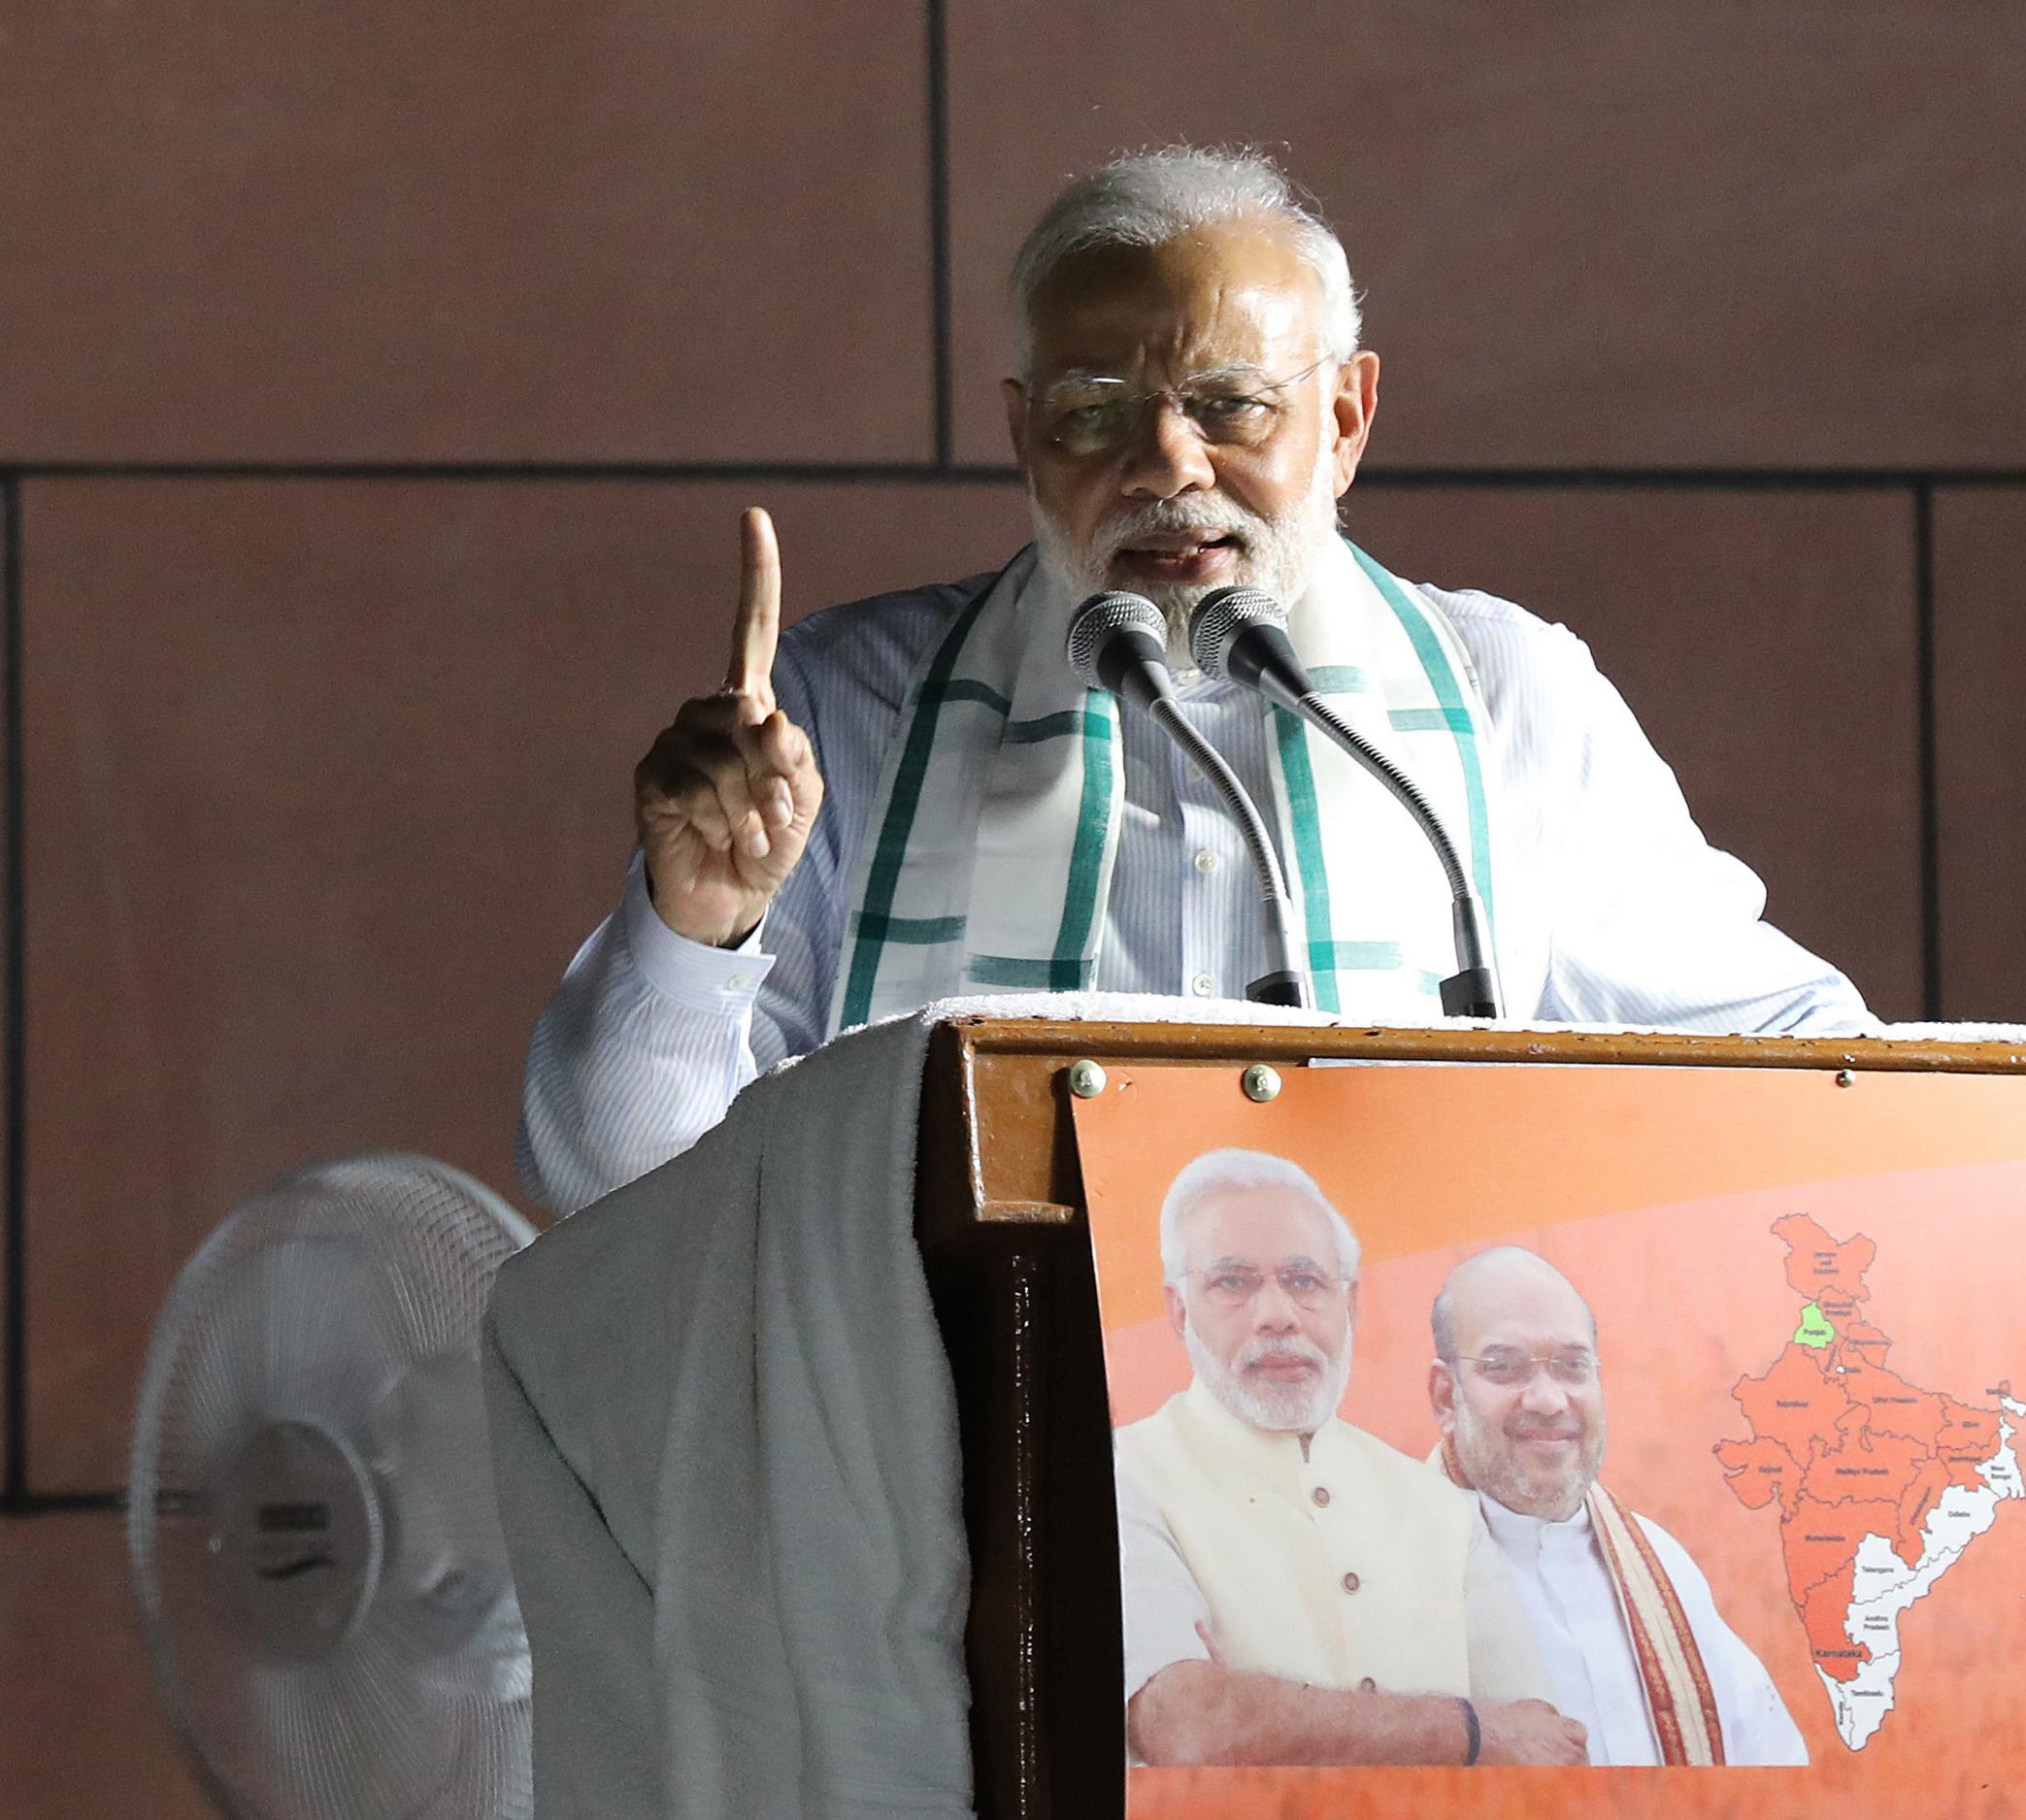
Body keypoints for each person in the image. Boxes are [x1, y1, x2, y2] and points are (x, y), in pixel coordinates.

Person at [517, 146, 1873, 1215]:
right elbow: (620, 1190)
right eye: (1094, 410)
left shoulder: (1503, 697)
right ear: (1023, 434)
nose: (1167, 464)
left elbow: (1796, 1066)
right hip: (969, 1499)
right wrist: (695, 932)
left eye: (1232, 404)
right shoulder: (846, 712)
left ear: (1343, 420)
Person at [1116, 1149, 1584, 1767]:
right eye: (1233, 1282)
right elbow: (1188, 1725)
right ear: (1179, 1312)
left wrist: (1262, 1710)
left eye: (1305, 1281)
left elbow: (1546, 1748)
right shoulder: (1123, 1475)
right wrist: (1473, 1732)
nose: (1277, 1315)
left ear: (1351, 1305)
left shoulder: (1438, 1509)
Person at [1428, 1246, 1809, 1766]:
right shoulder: (1385, 1572)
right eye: (1505, 1368)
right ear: (1446, 1398)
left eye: (1572, 1367)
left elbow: (1769, 1762)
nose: (1548, 1399)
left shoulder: (1662, 1567)